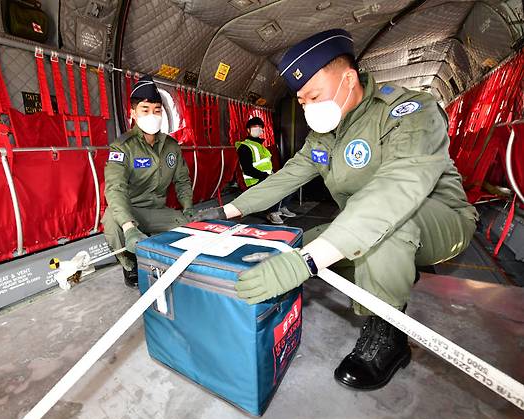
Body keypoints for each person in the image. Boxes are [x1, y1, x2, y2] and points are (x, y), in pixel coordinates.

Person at [194, 29, 478, 390]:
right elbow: (287, 177)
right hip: (361, 222)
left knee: (382, 233)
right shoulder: (324, 136)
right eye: (301, 101)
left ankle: (387, 334)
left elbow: (396, 189)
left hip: (440, 218)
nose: (308, 106)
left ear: (348, 78)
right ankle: (393, 271)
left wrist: (309, 261)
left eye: (314, 95)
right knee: (299, 243)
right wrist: (228, 211)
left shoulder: (409, 111)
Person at [103, 75, 194, 288]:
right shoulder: (122, 147)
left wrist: (188, 207)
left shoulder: (171, 146)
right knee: (110, 222)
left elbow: (182, 180)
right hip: (131, 210)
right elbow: (115, 188)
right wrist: (128, 227)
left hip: (158, 210)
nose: (152, 115)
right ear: (133, 113)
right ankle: (130, 264)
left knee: (192, 228)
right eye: (145, 109)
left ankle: (169, 259)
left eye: (157, 110)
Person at [235, 117, 296, 225]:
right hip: (254, 180)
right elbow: (248, 170)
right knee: (277, 186)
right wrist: (267, 176)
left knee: (291, 181)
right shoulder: (245, 147)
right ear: (248, 130)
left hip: (265, 176)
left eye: (260, 127)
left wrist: (273, 174)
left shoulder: (261, 146)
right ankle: (272, 212)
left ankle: (282, 207)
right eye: (254, 127)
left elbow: (266, 165)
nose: (257, 129)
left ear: (263, 130)